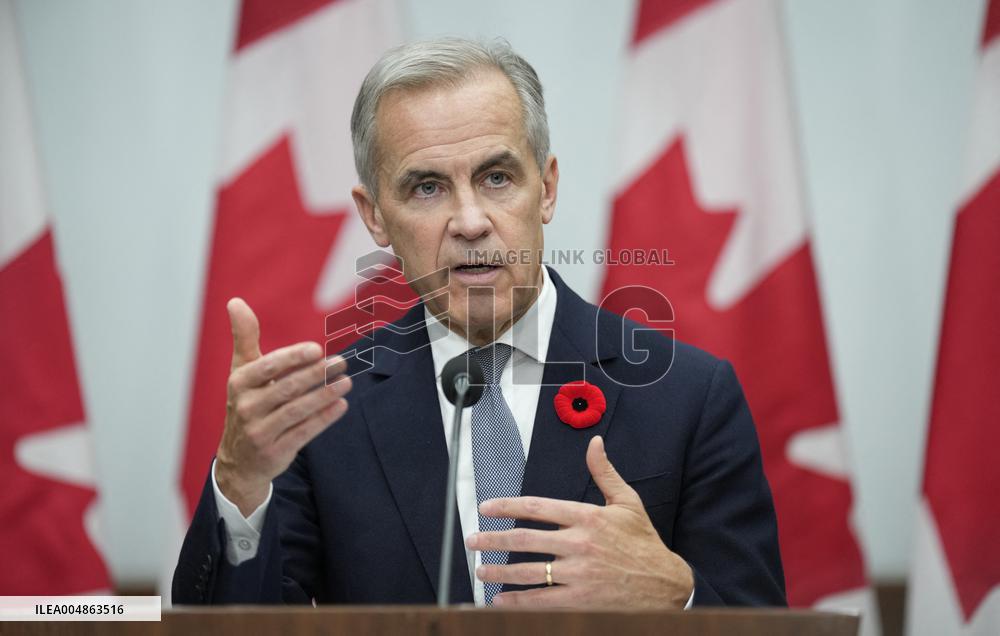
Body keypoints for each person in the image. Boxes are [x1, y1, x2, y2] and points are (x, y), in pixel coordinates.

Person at [173, 37, 785, 608]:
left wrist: (677, 596)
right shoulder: (326, 411)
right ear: (375, 217)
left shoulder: (689, 395)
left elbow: (763, 620)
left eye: (497, 178)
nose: (470, 221)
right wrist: (239, 481)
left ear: (545, 189)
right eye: (427, 188)